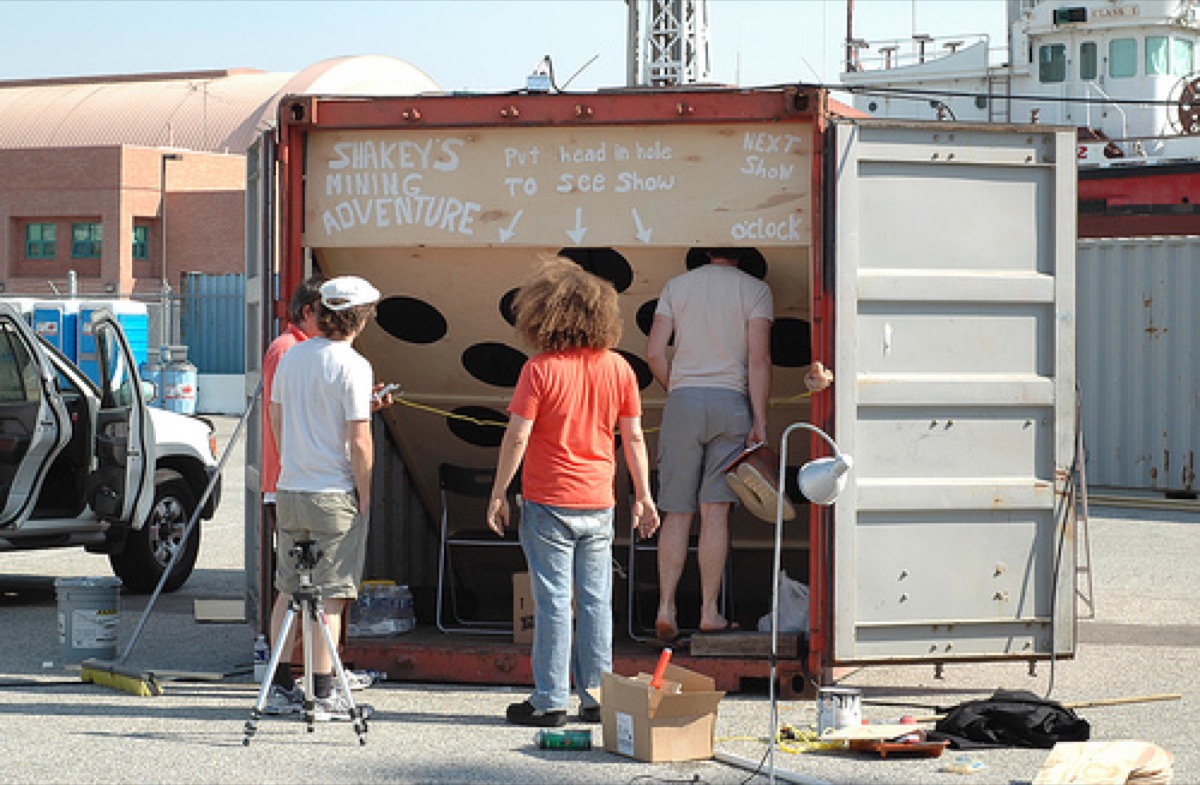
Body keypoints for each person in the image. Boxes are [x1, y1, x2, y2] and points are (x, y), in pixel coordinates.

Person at [487, 257, 659, 728]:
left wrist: (499, 491)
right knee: (596, 601)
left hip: (548, 501)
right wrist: (643, 495)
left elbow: (517, 436)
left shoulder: (538, 370)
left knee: (554, 602)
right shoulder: (620, 369)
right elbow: (635, 438)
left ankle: (548, 701)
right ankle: (598, 696)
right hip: (599, 502)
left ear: (542, 314)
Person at [266, 275, 382, 722]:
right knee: (329, 599)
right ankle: (323, 692)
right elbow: (359, 439)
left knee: (289, 590)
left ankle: (277, 686)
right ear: (360, 318)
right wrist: (365, 492)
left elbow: (278, 418)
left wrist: (294, 462)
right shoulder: (353, 365)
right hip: (333, 493)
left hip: (291, 488)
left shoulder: (293, 357)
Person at [646, 247, 773, 642]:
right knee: (714, 511)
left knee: (676, 511)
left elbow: (653, 352)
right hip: (731, 403)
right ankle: (708, 611)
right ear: (742, 254)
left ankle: (666, 606)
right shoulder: (756, 291)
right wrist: (760, 419)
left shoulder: (676, 286)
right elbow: (759, 358)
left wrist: (677, 388)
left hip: (683, 401)